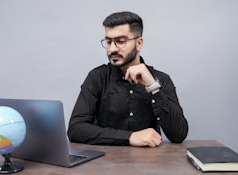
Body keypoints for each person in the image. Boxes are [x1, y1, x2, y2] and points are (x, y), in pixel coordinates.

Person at [67, 11, 188, 147]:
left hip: (151, 165)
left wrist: (153, 87)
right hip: (103, 164)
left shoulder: (161, 79)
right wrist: (129, 137)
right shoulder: (97, 78)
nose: (111, 49)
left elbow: (178, 135)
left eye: (120, 41)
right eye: (108, 42)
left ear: (139, 43)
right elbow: (75, 129)